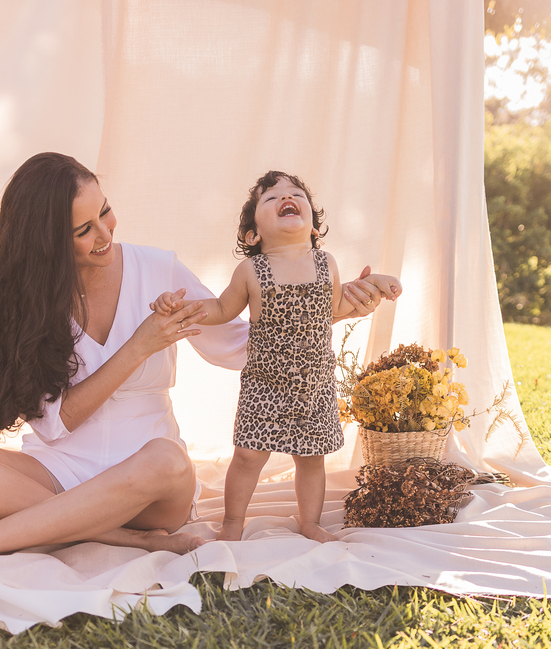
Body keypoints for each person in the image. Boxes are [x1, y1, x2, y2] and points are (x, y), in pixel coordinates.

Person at [0, 154, 382, 574]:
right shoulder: (31, 302)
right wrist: (139, 345)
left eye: (104, 211)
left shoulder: (158, 269)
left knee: (167, 459)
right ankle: (121, 538)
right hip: (57, 474)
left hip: (151, 484)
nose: (105, 234)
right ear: (47, 243)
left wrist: (329, 310)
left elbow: (238, 344)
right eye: (84, 230)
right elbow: (56, 425)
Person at [151, 171, 401, 543]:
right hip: (264, 384)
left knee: (312, 458)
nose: (287, 198)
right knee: (248, 457)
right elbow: (221, 308)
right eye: (271, 198)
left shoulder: (326, 264)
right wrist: (181, 307)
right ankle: (232, 521)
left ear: (313, 227)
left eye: (296, 194)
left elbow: (336, 307)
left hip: (314, 386)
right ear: (254, 235)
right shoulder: (251, 270)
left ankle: (310, 522)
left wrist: (375, 283)